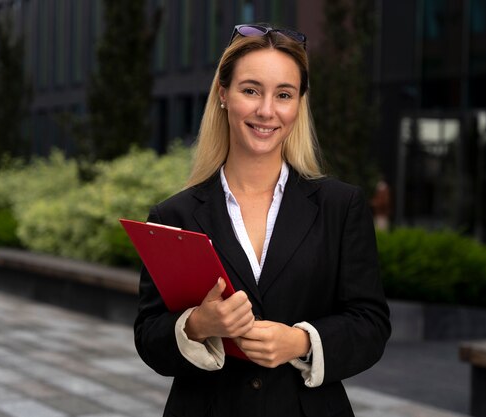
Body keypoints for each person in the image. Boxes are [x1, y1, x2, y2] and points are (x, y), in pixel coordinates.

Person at [134, 23, 391, 417]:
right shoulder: (175, 216)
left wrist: (301, 342)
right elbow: (149, 336)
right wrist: (197, 325)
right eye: (251, 90)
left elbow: (371, 324)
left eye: (284, 94)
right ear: (223, 95)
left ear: (299, 104)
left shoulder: (341, 206)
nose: (266, 110)